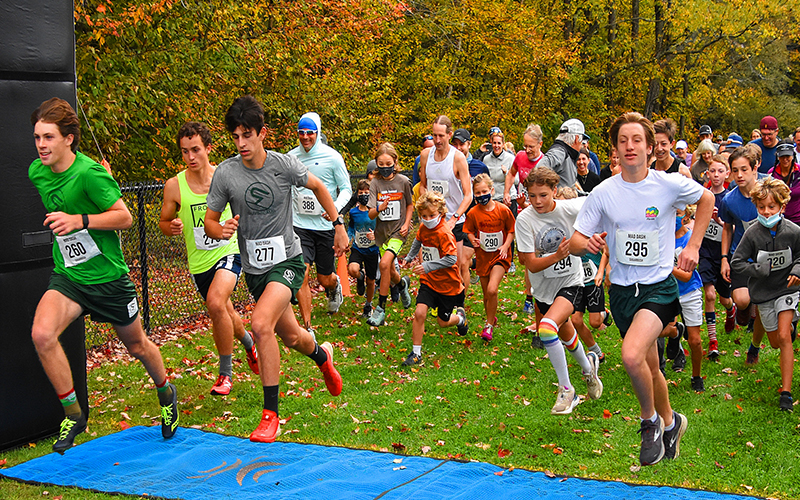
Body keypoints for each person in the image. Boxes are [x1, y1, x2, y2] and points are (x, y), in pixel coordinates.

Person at [28, 97, 180, 453]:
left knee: (137, 345)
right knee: (42, 334)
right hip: (70, 276)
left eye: (48, 137)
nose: (41, 145)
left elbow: (124, 218)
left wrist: (79, 219)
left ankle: (166, 392)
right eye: (37, 137)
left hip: (109, 279)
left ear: (69, 139)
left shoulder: (89, 174)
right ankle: (73, 412)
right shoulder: (38, 172)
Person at [571, 111, 713, 465]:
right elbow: (576, 238)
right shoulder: (604, 192)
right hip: (621, 292)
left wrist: (693, 246)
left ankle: (648, 421)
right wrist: (585, 244)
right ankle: (670, 422)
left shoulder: (667, 185)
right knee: (649, 368)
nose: (629, 146)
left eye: (637, 140)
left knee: (632, 355)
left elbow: (707, 199)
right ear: (615, 150)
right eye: (623, 141)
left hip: (659, 289)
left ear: (650, 148)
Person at [204, 95, 344, 442]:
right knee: (292, 336)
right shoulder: (226, 173)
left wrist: (337, 223)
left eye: (247, 135)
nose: (241, 144)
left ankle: (270, 415)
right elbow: (209, 221)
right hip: (255, 270)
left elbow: (319, 186)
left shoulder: (284, 166)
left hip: (287, 260)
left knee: (261, 324)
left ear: (262, 133)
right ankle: (322, 356)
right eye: (235, 137)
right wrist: (218, 229)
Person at [158, 122, 259, 396]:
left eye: (195, 150)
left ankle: (225, 374)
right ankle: (249, 343)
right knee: (223, 310)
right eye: (184, 152)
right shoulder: (174, 186)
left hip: (229, 251)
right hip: (199, 262)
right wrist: (172, 226)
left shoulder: (225, 177)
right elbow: (164, 222)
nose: (190, 157)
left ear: (208, 149)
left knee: (216, 301)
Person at [516, 166, 603, 415]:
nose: (537, 201)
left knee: (546, 328)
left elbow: (601, 200)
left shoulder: (571, 207)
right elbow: (530, 263)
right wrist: (557, 255)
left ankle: (567, 389)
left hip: (571, 282)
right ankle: (589, 370)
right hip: (543, 290)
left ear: (555, 190)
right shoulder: (524, 219)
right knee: (565, 334)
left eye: (543, 195)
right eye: (532, 196)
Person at [731, 177, 800, 412]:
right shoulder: (752, 233)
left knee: (783, 336)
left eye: (772, 207)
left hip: (788, 289)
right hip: (764, 293)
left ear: (782, 207)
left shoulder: (793, 231)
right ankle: (787, 328)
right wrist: (756, 270)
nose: (766, 212)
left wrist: (797, 270)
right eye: (761, 207)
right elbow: (737, 262)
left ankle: (786, 394)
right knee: (776, 341)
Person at [288, 112, 352, 333]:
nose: (305, 137)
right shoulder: (291, 157)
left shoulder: (332, 157)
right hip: (299, 225)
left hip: (325, 226)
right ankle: (307, 326)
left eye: (310, 133)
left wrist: (333, 210)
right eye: (301, 133)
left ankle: (334, 288)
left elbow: (346, 189)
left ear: (318, 133)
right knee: (302, 272)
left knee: (324, 278)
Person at [400, 191, 468, 365]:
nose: (427, 219)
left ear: (441, 214)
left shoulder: (444, 233)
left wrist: (428, 266)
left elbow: (452, 259)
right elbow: (418, 241)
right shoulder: (423, 227)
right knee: (419, 313)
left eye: (431, 215)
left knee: (443, 322)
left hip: (447, 285)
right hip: (429, 281)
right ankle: (416, 354)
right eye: (423, 216)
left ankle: (460, 319)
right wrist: (409, 257)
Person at [720, 145, 768, 363]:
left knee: (762, 305)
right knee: (741, 300)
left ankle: (754, 347)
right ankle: (745, 308)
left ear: (755, 168)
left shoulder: (770, 189)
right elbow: (727, 228)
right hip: (741, 253)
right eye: (735, 170)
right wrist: (724, 259)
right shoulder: (729, 200)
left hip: (768, 254)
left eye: (743, 170)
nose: (738, 175)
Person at [418, 115, 474, 292]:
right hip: (432, 220)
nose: (437, 140)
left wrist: (454, 218)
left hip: (453, 220)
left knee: (454, 265)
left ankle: (458, 305)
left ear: (449, 134)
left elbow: (468, 195)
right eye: (434, 135)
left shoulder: (457, 158)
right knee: (429, 262)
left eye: (441, 136)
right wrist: (424, 210)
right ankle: (436, 300)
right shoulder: (426, 155)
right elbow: (423, 186)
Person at [557, 187, 610, 364]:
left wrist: (601, 271)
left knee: (595, 322)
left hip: (593, 280)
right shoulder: (560, 229)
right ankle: (596, 351)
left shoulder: (588, 227)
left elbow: (606, 252)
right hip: (576, 282)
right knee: (576, 320)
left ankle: (605, 314)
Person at [366, 143, 414, 326]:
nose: (385, 167)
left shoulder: (402, 181)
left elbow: (410, 204)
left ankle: (380, 309)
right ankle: (402, 285)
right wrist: (380, 208)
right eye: (381, 164)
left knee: (384, 264)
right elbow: (370, 213)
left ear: (395, 162)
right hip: (382, 234)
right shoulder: (375, 184)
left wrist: (407, 223)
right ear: (376, 164)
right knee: (390, 271)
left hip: (398, 231)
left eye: (388, 163)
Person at [463, 174, 515, 341]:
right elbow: (469, 231)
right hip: (483, 256)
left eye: (484, 191)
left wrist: (506, 246)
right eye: (477, 193)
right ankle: (491, 316)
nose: (481, 195)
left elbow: (512, 230)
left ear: (492, 190)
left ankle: (489, 325)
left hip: (500, 256)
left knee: (492, 289)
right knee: (487, 294)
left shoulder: (503, 210)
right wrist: (473, 240)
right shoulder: (473, 213)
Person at [505, 124, 545, 314]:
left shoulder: (545, 163)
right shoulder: (520, 157)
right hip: (523, 213)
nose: (527, 150)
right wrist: (507, 191)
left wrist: (531, 204)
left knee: (533, 258)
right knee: (523, 259)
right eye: (525, 146)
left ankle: (532, 297)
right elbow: (512, 173)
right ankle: (533, 293)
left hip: (540, 215)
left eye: (531, 146)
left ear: (540, 144)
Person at [699, 156, 736, 358]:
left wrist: (719, 221)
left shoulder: (730, 198)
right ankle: (713, 341)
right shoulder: (702, 196)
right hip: (704, 252)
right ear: (707, 173)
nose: (716, 175)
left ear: (727, 174)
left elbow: (733, 228)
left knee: (724, 298)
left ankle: (731, 311)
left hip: (723, 253)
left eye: (720, 171)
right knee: (710, 295)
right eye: (712, 171)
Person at [671, 206, 707, 392]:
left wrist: (666, 267)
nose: (673, 218)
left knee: (695, 340)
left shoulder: (691, 239)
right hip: (668, 291)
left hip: (690, 291)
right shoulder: (661, 237)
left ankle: (696, 376)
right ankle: (675, 335)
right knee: (663, 329)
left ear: (685, 216)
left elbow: (686, 276)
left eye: (677, 214)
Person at [347, 178, 379, 318]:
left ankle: (368, 304)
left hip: (372, 250)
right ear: (357, 195)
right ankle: (360, 277)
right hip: (358, 247)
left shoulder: (376, 210)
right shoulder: (353, 212)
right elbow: (351, 227)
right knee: (352, 269)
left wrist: (376, 235)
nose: (364, 195)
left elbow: (382, 228)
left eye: (367, 192)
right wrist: (348, 238)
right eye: (361, 192)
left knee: (371, 281)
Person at [537, 118, 584, 189]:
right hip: (558, 200)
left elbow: (567, 187)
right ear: (576, 139)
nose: (581, 145)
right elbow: (539, 169)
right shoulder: (560, 152)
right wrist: (551, 192)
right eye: (582, 141)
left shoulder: (567, 154)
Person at [484, 128, 518, 213]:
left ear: (503, 144)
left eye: (499, 143)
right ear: (491, 143)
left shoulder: (510, 158)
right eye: (494, 143)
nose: (496, 146)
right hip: (493, 199)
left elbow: (517, 180)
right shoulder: (486, 159)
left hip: (508, 199)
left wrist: (507, 173)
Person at [767, 142, 800, 224]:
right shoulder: (772, 173)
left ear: (793, 156)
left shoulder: (798, 171)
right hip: (778, 219)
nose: (785, 159)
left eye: (787, 156)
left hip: (798, 218)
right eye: (782, 156)